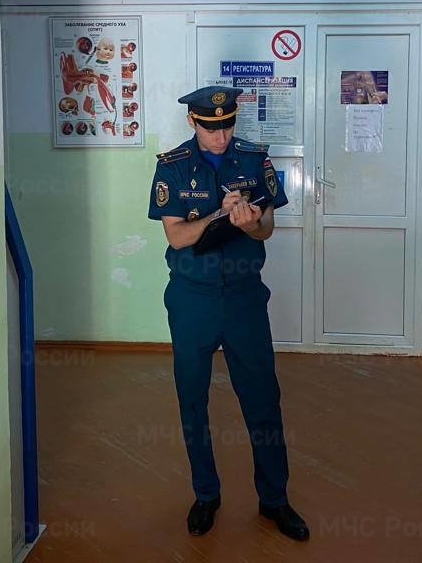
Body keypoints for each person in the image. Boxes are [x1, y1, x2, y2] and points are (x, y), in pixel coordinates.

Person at [147, 85, 309, 541]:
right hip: (192, 299)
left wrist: (253, 223)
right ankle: (206, 495)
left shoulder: (254, 160)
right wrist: (217, 218)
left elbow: (267, 228)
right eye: (210, 128)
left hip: (243, 298)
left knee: (262, 398)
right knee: (192, 398)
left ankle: (274, 499)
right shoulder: (173, 166)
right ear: (193, 122)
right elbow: (177, 236)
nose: (221, 137)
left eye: (228, 126)